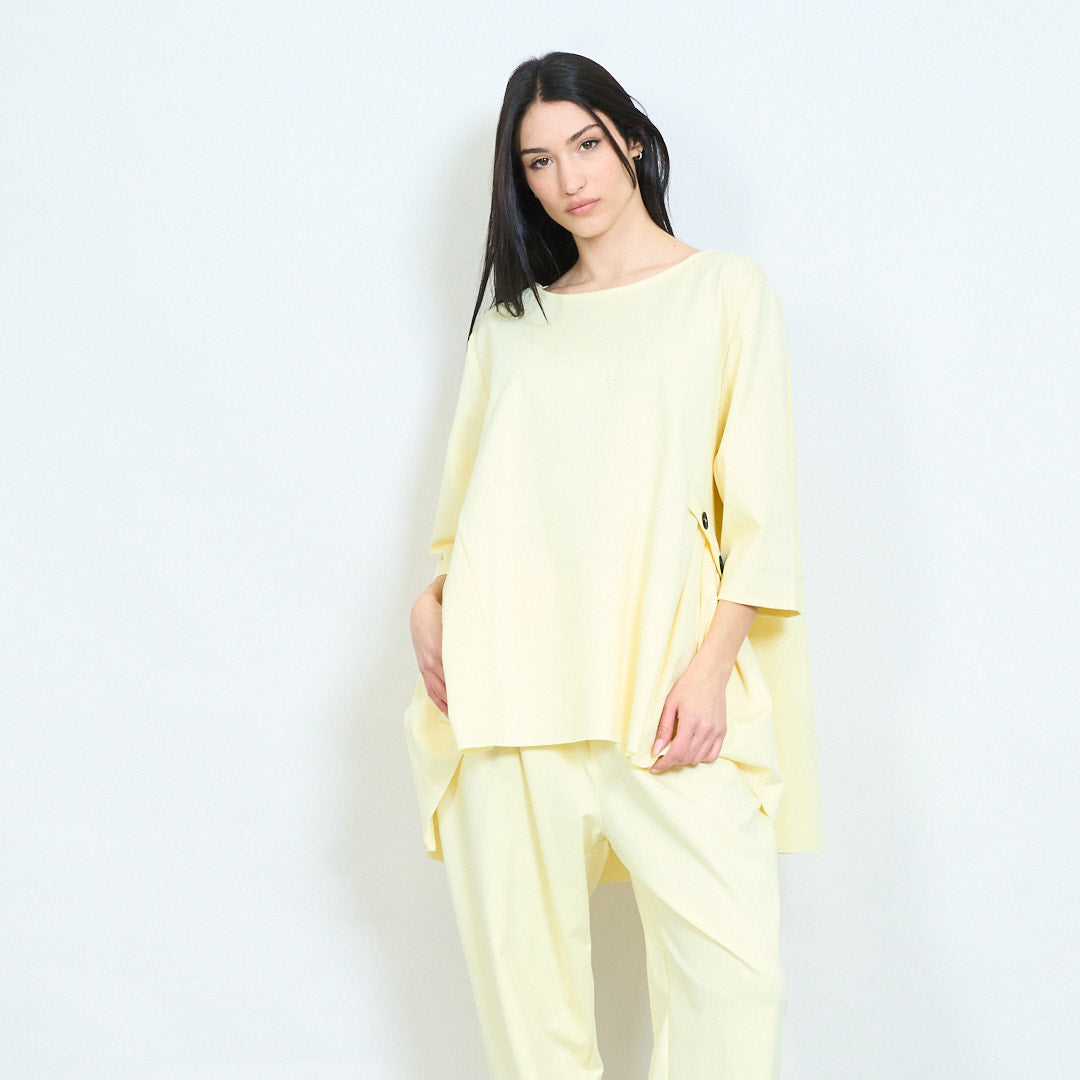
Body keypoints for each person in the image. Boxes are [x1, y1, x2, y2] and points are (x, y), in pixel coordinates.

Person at [404, 51, 822, 1080]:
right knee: (529, 1013)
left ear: (631, 140)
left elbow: (761, 516)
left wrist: (709, 670)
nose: (569, 178)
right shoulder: (513, 326)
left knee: (736, 985)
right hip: (508, 688)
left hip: (659, 689)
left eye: (585, 144)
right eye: (538, 162)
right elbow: (469, 517)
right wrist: (430, 602)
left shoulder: (724, 292)